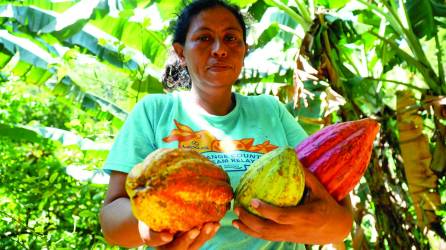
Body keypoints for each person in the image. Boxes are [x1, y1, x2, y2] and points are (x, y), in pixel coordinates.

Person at [99, 0, 353, 249]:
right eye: (204, 38)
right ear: (181, 52)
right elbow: (111, 223)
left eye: (231, 38)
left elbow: (338, 219)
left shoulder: (271, 110)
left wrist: (312, 225)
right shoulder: (154, 111)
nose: (220, 49)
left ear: (245, 51)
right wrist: (149, 227)